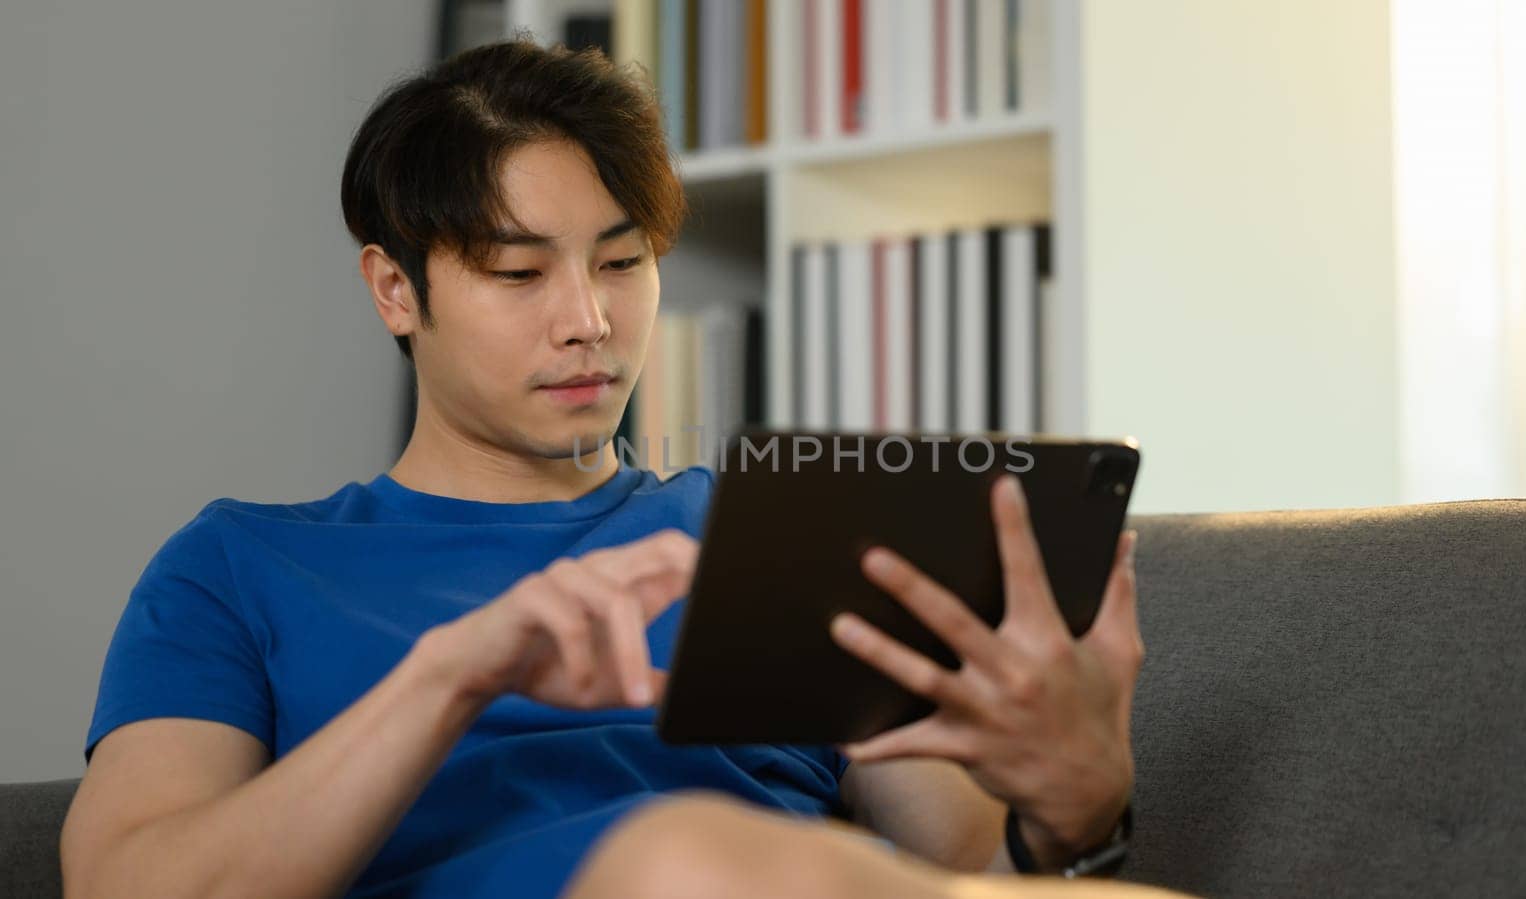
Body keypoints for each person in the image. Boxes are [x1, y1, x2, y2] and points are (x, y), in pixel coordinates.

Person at [59, 39, 1172, 899]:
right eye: (516, 271)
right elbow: (131, 883)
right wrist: (449, 676)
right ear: (395, 291)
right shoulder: (238, 567)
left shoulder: (767, 532)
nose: (589, 321)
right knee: (675, 854)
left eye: (624, 261)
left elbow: (964, 866)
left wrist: (1074, 807)